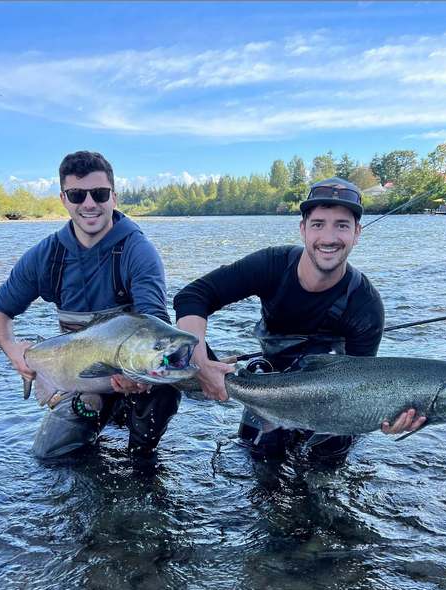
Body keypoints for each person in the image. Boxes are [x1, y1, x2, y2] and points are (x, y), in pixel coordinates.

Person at [173, 177, 425, 463]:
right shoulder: (272, 265)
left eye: (342, 225)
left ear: (357, 233)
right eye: (318, 224)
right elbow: (193, 296)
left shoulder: (366, 306)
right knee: (259, 462)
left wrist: (386, 417)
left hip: (334, 401)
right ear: (303, 229)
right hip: (267, 389)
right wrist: (201, 362)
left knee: (324, 470)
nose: (329, 238)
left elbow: (361, 388)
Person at [0, 150, 180, 461]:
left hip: (134, 374)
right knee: (50, 456)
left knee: (165, 385)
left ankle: (142, 457)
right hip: (82, 381)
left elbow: (155, 323)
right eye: (77, 195)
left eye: (99, 194)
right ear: (64, 199)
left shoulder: (138, 251)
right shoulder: (46, 257)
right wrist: (13, 350)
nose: (89, 204)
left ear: (114, 197)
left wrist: (141, 377)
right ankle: (102, 419)